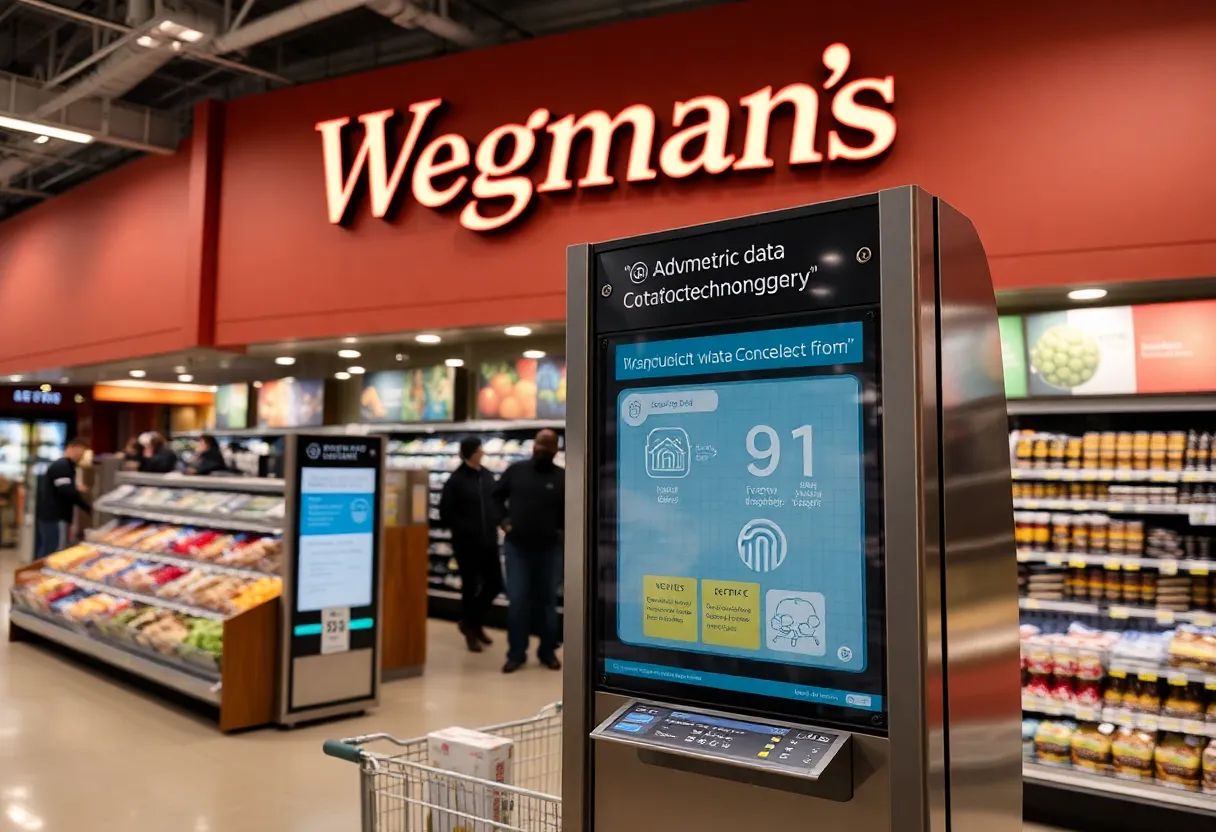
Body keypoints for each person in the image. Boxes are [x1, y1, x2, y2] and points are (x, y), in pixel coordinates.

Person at [493, 429, 564, 673]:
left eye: (548, 445)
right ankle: (516, 653)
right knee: (519, 601)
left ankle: (548, 652)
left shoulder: (563, 477)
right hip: (518, 548)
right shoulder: (516, 471)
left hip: (549, 549)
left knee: (547, 602)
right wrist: (503, 522)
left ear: (556, 449)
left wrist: (561, 533)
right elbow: (495, 497)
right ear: (533, 446)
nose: (542, 449)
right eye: (539, 444)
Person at [438, 437, 503, 653]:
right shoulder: (456, 480)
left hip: (489, 541)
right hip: (466, 544)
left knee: (495, 584)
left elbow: (496, 503)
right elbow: (445, 513)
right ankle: (473, 631)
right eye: (479, 449)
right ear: (472, 453)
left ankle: (469, 622)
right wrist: (464, 527)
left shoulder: (487, 476)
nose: (483, 452)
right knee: (470, 587)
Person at [35, 437, 91, 559]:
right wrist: (87, 507)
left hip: (54, 516)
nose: (82, 455)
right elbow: (66, 491)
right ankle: (44, 576)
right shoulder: (62, 466)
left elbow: (64, 487)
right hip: (55, 516)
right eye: (82, 451)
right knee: (53, 552)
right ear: (72, 448)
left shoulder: (67, 466)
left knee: (51, 549)